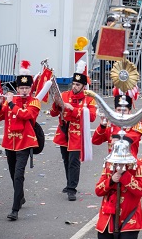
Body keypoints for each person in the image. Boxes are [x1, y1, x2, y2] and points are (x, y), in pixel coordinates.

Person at [0, 61, 41, 221]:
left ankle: (15, 209)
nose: (24, 91)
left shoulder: (34, 101)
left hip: (25, 143)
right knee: (12, 174)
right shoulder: (10, 100)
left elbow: (26, 115)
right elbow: (0, 116)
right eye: (21, 88)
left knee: (18, 175)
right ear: (17, 87)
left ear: (30, 88)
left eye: (26, 88)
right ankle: (20, 197)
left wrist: (10, 103)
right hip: (10, 143)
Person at [50, 60, 97, 201]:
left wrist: (74, 109)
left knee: (74, 162)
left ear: (84, 86)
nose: (75, 87)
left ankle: (72, 188)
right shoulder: (64, 95)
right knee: (65, 160)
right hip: (64, 132)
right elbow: (53, 113)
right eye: (74, 84)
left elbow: (93, 117)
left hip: (77, 134)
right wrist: (57, 105)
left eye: (78, 84)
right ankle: (69, 182)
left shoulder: (89, 99)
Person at [95, 139, 142, 239]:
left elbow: (140, 191)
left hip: (129, 216)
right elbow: (98, 191)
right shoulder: (109, 165)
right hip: (109, 216)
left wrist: (124, 174)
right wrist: (111, 180)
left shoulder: (141, 165)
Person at [92, 88, 142, 157]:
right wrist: (102, 126)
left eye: (124, 110)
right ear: (115, 111)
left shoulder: (135, 124)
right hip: (112, 164)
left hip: (129, 164)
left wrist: (117, 138)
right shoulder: (110, 124)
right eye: (118, 110)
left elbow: (132, 138)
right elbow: (95, 141)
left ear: (129, 111)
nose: (121, 113)